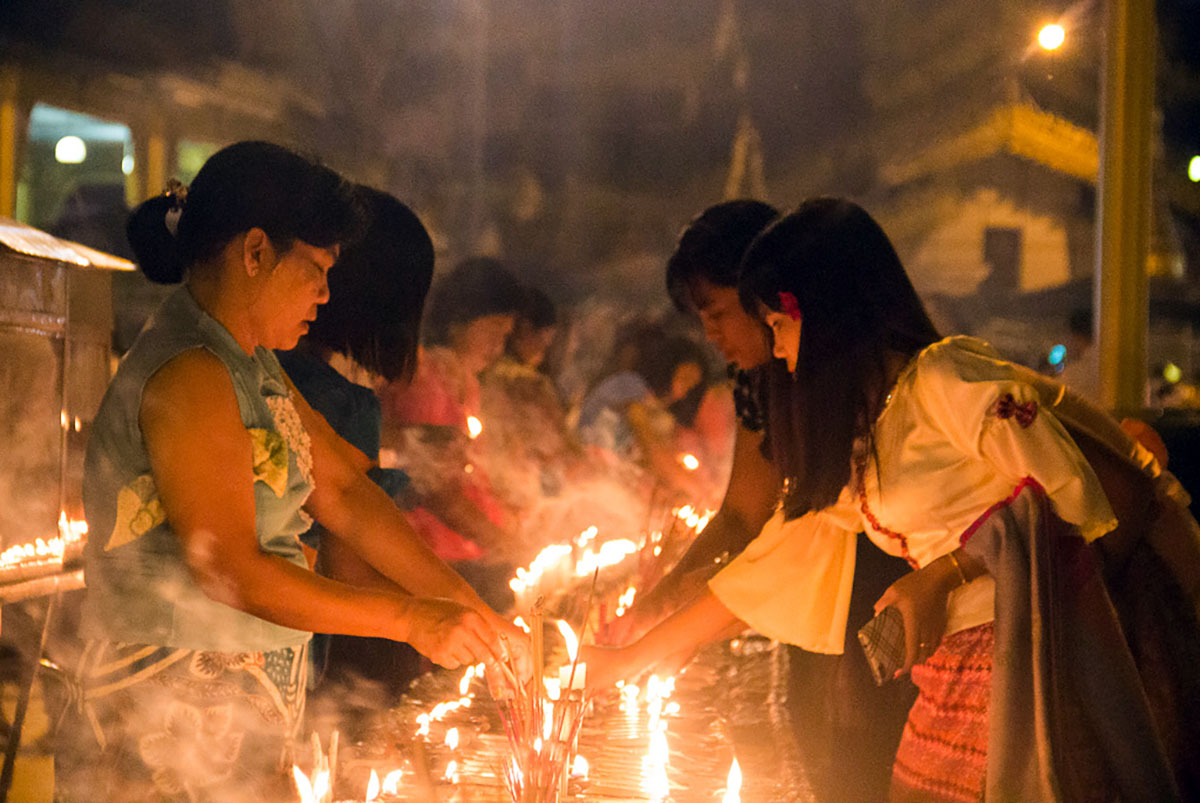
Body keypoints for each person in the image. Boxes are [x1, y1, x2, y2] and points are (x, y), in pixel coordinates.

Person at [586, 198, 1200, 801]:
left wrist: (942, 576)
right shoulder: (869, 427)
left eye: (778, 324)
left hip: (1027, 668)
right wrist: (632, 655)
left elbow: (1072, 496)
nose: (774, 349)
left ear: (822, 312)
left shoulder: (946, 380)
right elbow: (775, 564)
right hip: (946, 677)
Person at [58, 142, 523, 802]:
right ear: (255, 253)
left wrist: (473, 613)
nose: (327, 294)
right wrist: (413, 620)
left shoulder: (252, 363)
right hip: (162, 725)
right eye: (317, 270)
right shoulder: (192, 371)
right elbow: (232, 569)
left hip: (237, 718)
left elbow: (346, 494)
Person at [607, 199, 915, 801]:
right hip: (818, 587)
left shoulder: (888, 386)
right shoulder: (761, 379)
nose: (710, 335)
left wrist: (662, 636)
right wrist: (663, 605)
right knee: (826, 747)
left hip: (881, 590)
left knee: (865, 749)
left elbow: (799, 532)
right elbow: (747, 516)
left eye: (721, 312)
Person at [276, 186, 434, 717]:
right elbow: (349, 561)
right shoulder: (342, 403)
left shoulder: (263, 368)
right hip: (280, 657)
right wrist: (434, 618)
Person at [379, 256, 527, 608]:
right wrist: (501, 540)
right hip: (426, 562)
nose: (498, 348)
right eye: (492, 332)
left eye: (505, 336)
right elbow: (433, 485)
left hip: (465, 557)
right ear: (460, 321)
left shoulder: (467, 384)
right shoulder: (427, 379)